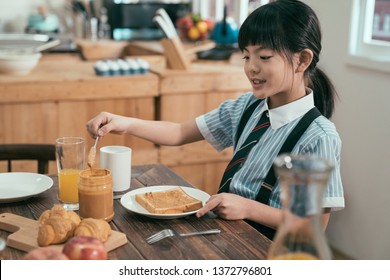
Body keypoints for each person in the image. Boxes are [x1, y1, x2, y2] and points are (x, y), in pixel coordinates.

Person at [86, 0, 344, 240]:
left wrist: (249, 208)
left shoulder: (319, 136)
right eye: (246, 56)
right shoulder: (247, 106)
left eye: (264, 57)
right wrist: (124, 123)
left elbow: (313, 226)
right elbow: (178, 132)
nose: (251, 67)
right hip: (225, 234)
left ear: (302, 60)